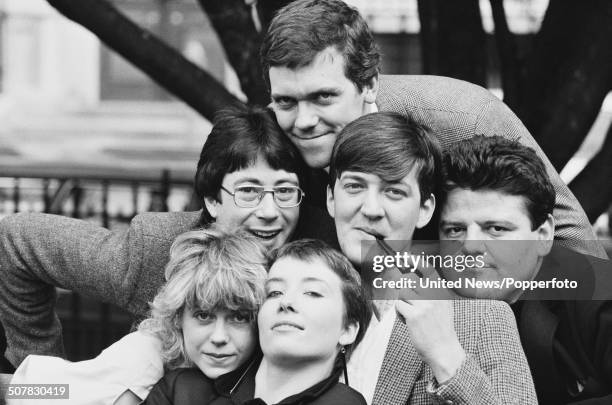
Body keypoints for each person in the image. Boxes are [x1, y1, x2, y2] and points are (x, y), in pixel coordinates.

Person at [260, 0, 605, 258]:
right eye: (287, 101)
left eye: (323, 97)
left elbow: (571, 237)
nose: (303, 121)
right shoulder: (273, 138)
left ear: (368, 85)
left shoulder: (464, 118)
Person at [0, 105, 337, 368]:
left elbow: (390, 273)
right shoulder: (158, 250)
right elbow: (16, 240)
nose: (269, 210)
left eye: (285, 191)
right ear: (212, 200)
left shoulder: (331, 247)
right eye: (248, 191)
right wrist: (37, 368)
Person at [325, 112, 536, 404]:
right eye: (355, 186)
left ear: (425, 209)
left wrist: (446, 355)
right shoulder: (292, 299)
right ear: (331, 199)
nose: (371, 208)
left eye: (394, 191)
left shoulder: (482, 319)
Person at [438, 135, 612, 404]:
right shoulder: (421, 299)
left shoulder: (599, 296)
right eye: (455, 229)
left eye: (496, 229)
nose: (470, 246)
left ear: (543, 235)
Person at [8, 227, 267, 405]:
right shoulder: (144, 359)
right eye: (203, 315)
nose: (219, 337)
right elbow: (56, 391)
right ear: (178, 318)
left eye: (239, 317)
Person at [143, 238, 371, 405]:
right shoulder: (183, 391)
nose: (286, 302)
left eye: (312, 292)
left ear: (348, 329)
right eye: (274, 292)